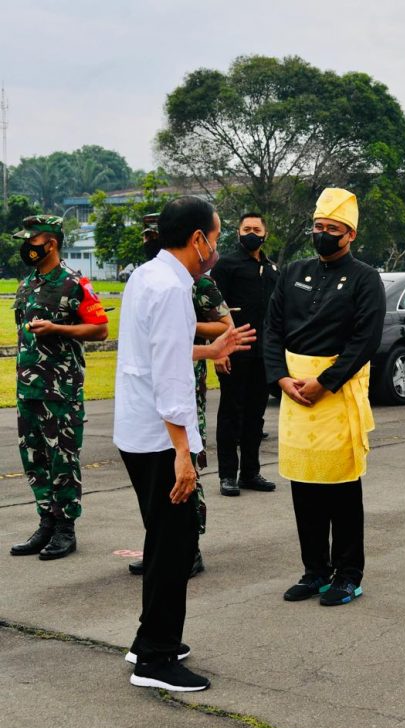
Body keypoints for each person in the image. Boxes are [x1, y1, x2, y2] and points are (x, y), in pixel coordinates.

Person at [114, 196, 255, 692]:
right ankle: (155, 660)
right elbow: (171, 377)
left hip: (138, 432)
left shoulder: (145, 276)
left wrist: (209, 349)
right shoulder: (174, 288)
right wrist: (182, 453)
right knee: (175, 547)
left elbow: (162, 350)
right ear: (197, 239)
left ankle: (149, 640)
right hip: (161, 439)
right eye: (214, 238)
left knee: (162, 541)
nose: (216, 248)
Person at [264, 188, 386, 606]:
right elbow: (272, 329)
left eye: (333, 228)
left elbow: (365, 339)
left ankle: (348, 575)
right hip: (295, 393)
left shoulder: (365, 278)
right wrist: (281, 378)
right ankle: (315, 570)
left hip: (336, 392)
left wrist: (326, 381)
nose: (323, 234)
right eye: (318, 226)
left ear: (350, 234)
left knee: (341, 488)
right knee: (304, 485)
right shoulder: (292, 271)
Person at [128, 214, 233, 577]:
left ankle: (189, 546)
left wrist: (185, 324)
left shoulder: (193, 282)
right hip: (157, 398)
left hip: (181, 389)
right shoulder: (152, 279)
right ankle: (166, 545)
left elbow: (224, 325)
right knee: (163, 483)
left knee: (184, 472)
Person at [10, 215, 108, 560]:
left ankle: (66, 529)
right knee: (34, 458)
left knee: (62, 459)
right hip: (28, 389)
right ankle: (46, 522)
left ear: (50, 243)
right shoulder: (28, 284)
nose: (27, 246)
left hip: (60, 389)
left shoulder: (74, 283)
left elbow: (100, 329)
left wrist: (58, 329)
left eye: (32, 240)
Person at [211, 213, 279, 496]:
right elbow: (212, 309)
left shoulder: (271, 268)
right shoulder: (226, 265)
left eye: (256, 229)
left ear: (265, 234)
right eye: (246, 228)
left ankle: (250, 472)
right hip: (233, 351)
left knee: (255, 416)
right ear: (238, 232)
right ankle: (227, 474)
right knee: (231, 414)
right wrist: (218, 350)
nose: (251, 233)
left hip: (263, 355)